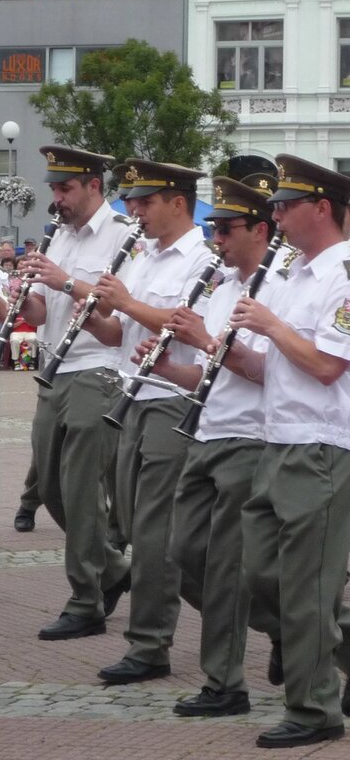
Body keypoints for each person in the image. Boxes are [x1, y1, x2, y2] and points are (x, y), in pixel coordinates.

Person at [134, 176, 282, 716]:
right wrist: (171, 367)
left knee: (226, 567)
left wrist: (202, 340)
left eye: (226, 228)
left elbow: (266, 372)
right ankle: (291, 633)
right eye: (213, 228)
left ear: (260, 229)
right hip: (206, 432)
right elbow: (210, 373)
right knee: (183, 550)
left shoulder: (277, 289)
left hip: (250, 438)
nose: (216, 237)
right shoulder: (220, 288)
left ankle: (225, 683)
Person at [218, 154, 350, 749]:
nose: (275, 215)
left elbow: (325, 365)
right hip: (278, 440)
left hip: (321, 447)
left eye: (286, 205)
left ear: (321, 208)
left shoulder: (344, 276)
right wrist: (222, 350)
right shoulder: (295, 274)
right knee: (259, 574)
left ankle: (314, 709)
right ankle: (330, 653)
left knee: (305, 590)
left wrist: (270, 326)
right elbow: (274, 367)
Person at [84, 159, 216, 682]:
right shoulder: (143, 256)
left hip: (169, 401)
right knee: (136, 524)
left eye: (144, 200)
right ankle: (267, 621)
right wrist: (94, 314)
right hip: (130, 396)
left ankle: (149, 645)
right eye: (131, 200)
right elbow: (119, 334)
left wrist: (129, 303)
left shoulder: (201, 258)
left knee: (157, 531)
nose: (133, 209)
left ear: (177, 202)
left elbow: (184, 324)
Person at [14, 146, 133, 640]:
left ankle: (85, 601)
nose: (57, 200)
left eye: (65, 189)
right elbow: (40, 316)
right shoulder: (58, 236)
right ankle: (113, 569)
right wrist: (21, 295)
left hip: (99, 369)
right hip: (55, 368)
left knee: (82, 491)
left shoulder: (125, 236)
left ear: (93, 186)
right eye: (54, 190)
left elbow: (116, 326)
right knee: (52, 489)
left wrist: (66, 284)